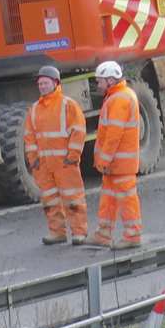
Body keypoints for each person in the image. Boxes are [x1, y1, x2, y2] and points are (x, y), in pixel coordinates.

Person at [24, 65, 87, 245]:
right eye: (40, 83)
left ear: (55, 83)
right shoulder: (34, 109)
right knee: (50, 201)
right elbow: (29, 137)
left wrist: (73, 155)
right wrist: (33, 159)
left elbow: (78, 131)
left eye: (45, 83)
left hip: (64, 162)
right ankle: (57, 232)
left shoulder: (68, 105)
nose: (42, 86)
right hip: (43, 164)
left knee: (73, 199)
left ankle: (79, 232)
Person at [90, 60, 143, 248]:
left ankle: (132, 235)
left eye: (100, 81)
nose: (98, 84)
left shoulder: (119, 99)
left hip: (120, 163)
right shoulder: (116, 96)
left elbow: (113, 134)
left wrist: (103, 159)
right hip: (116, 163)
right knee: (109, 197)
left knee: (126, 198)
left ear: (111, 80)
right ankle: (104, 233)